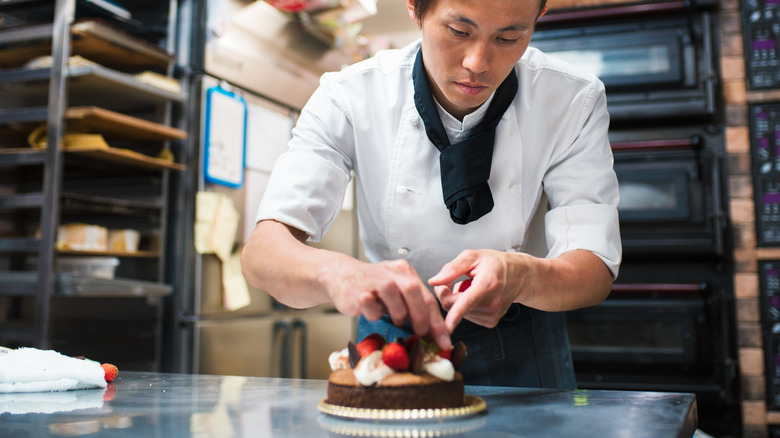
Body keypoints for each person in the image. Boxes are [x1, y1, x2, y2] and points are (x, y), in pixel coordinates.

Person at [241, 0, 621, 388]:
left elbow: (595, 270)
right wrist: (339, 273)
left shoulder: (572, 99)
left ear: (538, 19)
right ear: (415, 8)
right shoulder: (350, 96)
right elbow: (261, 255)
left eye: (509, 37)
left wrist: (523, 277)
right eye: (459, 31)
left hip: (524, 336)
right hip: (391, 338)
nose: (478, 62)